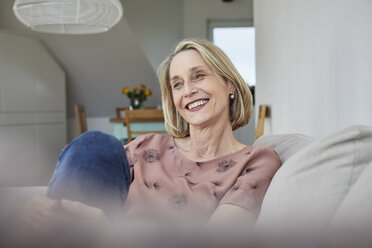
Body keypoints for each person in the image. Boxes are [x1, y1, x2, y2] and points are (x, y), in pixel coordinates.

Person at [12, 39, 281, 246]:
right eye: (177, 84)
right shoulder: (147, 147)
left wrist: (110, 234)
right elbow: (79, 180)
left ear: (230, 84)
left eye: (199, 76)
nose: (187, 91)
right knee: (95, 143)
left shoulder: (256, 161)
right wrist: (36, 208)